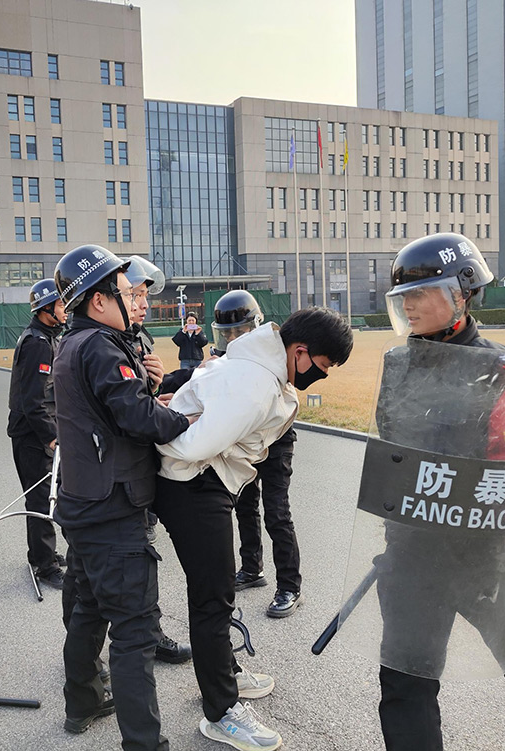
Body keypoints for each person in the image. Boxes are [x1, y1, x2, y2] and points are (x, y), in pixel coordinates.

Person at [374, 232, 505, 751]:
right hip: (417, 553)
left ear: (462, 293)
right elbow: (394, 452)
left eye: (422, 293)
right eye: (403, 297)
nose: (410, 306)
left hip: (494, 555)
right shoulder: (397, 366)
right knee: (404, 682)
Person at [154, 307, 354, 751]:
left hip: (203, 479)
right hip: (193, 481)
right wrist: (171, 430)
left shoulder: (257, 364)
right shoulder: (256, 383)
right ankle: (221, 712)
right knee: (212, 597)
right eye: (322, 366)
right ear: (299, 351)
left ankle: (223, 674)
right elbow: (195, 445)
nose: (322, 376)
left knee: (218, 592)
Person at [52, 245, 194, 751]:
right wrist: (183, 418)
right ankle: (143, 743)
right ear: (98, 300)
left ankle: (83, 702)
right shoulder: (101, 346)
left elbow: (112, 411)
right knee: (134, 632)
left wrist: (150, 392)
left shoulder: (74, 343)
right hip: (112, 509)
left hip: (84, 503)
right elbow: (137, 418)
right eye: (124, 291)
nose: (134, 299)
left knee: (90, 610)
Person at [210, 291, 305, 619]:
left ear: (255, 326)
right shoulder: (226, 357)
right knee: (244, 506)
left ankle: (290, 586)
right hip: (244, 440)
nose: (233, 338)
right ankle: (252, 568)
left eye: (239, 331)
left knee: (277, 512)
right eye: (227, 333)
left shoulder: (273, 353)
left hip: (276, 439)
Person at [121, 255, 193, 665]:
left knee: (130, 566)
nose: (144, 304)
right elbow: (127, 413)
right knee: (124, 568)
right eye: (136, 295)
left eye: (145, 296)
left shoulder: (137, 338)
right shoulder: (103, 343)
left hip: (136, 469)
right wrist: (173, 417)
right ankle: (134, 646)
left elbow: (140, 400)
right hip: (115, 478)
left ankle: (145, 637)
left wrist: (156, 386)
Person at [7, 278, 68, 589]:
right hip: (33, 435)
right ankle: (45, 565)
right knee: (41, 500)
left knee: (46, 497)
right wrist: (51, 436)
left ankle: (42, 553)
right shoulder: (38, 344)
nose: (66, 309)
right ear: (46, 309)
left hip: (39, 430)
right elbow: (34, 400)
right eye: (60, 304)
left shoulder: (47, 337)